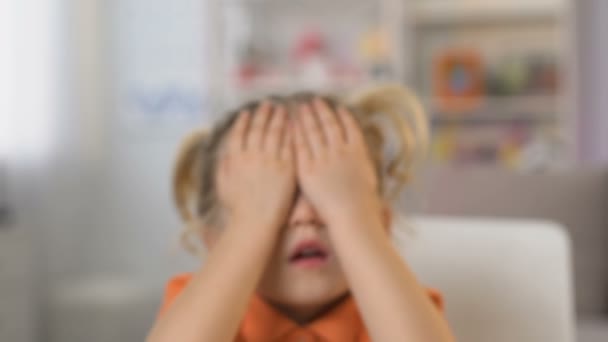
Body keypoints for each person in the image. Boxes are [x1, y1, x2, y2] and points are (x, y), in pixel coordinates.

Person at [147, 85, 455, 342]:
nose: (306, 215)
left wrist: (350, 216)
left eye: (327, 197)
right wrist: (252, 224)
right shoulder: (198, 307)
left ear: (381, 226)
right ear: (216, 243)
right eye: (278, 201)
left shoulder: (401, 305)